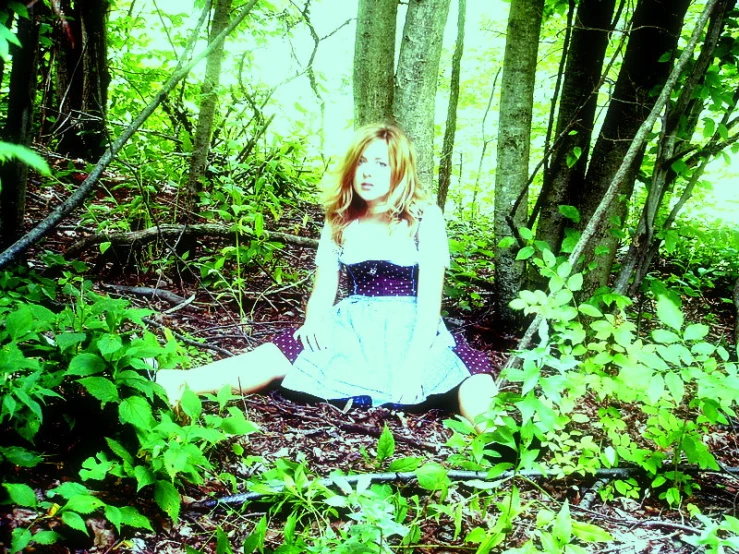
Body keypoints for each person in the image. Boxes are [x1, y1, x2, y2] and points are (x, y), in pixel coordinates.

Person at [156, 123, 498, 429]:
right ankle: (176, 382)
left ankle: (499, 440)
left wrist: (412, 365)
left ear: (399, 171)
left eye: (381, 163)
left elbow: (429, 305)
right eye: (362, 162)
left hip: (412, 327)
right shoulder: (341, 220)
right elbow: (324, 289)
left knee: (471, 372)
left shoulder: (424, 219)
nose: (368, 172)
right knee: (280, 352)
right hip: (354, 324)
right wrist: (314, 321)